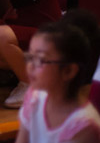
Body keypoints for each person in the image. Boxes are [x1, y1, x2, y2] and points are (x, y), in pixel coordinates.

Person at [17, 11, 100, 143]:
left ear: (68, 71)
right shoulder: (34, 97)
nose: (30, 66)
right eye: (30, 57)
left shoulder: (84, 127)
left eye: (41, 60)